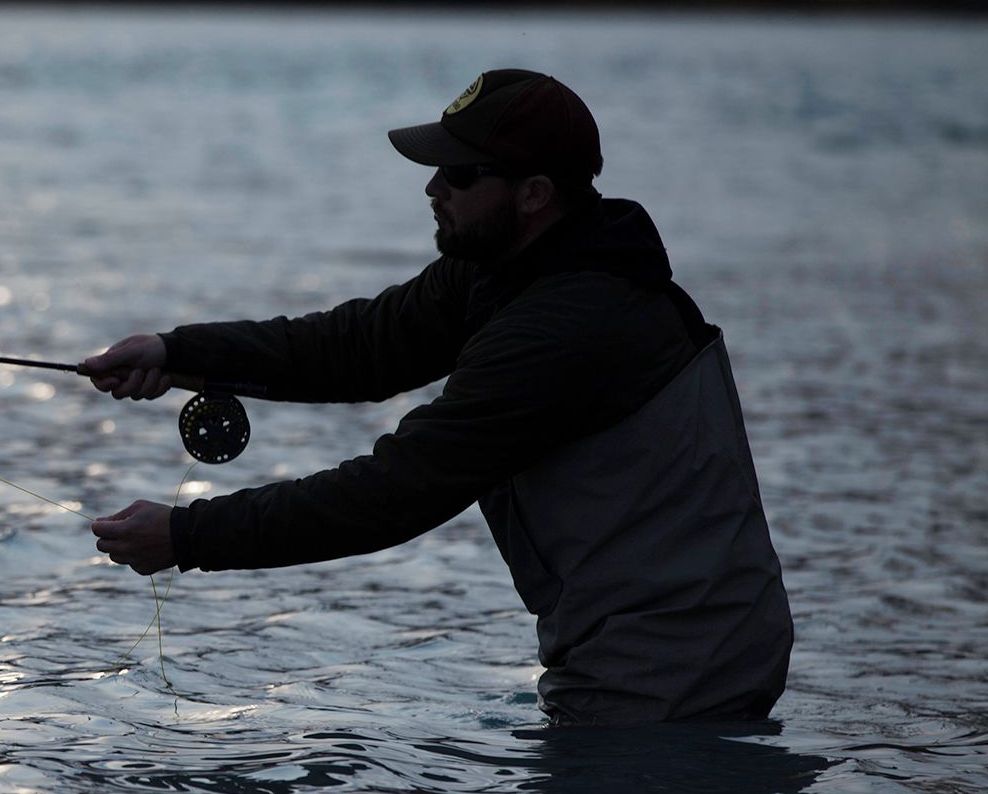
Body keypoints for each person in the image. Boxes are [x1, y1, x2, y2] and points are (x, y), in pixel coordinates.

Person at [81, 69, 793, 725]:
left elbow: (399, 488)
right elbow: (355, 347)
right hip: (644, 657)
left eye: (458, 172)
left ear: (534, 193)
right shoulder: (508, 268)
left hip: (674, 674)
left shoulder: (567, 326)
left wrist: (188, 536)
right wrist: (180, 353)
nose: (432, 187)